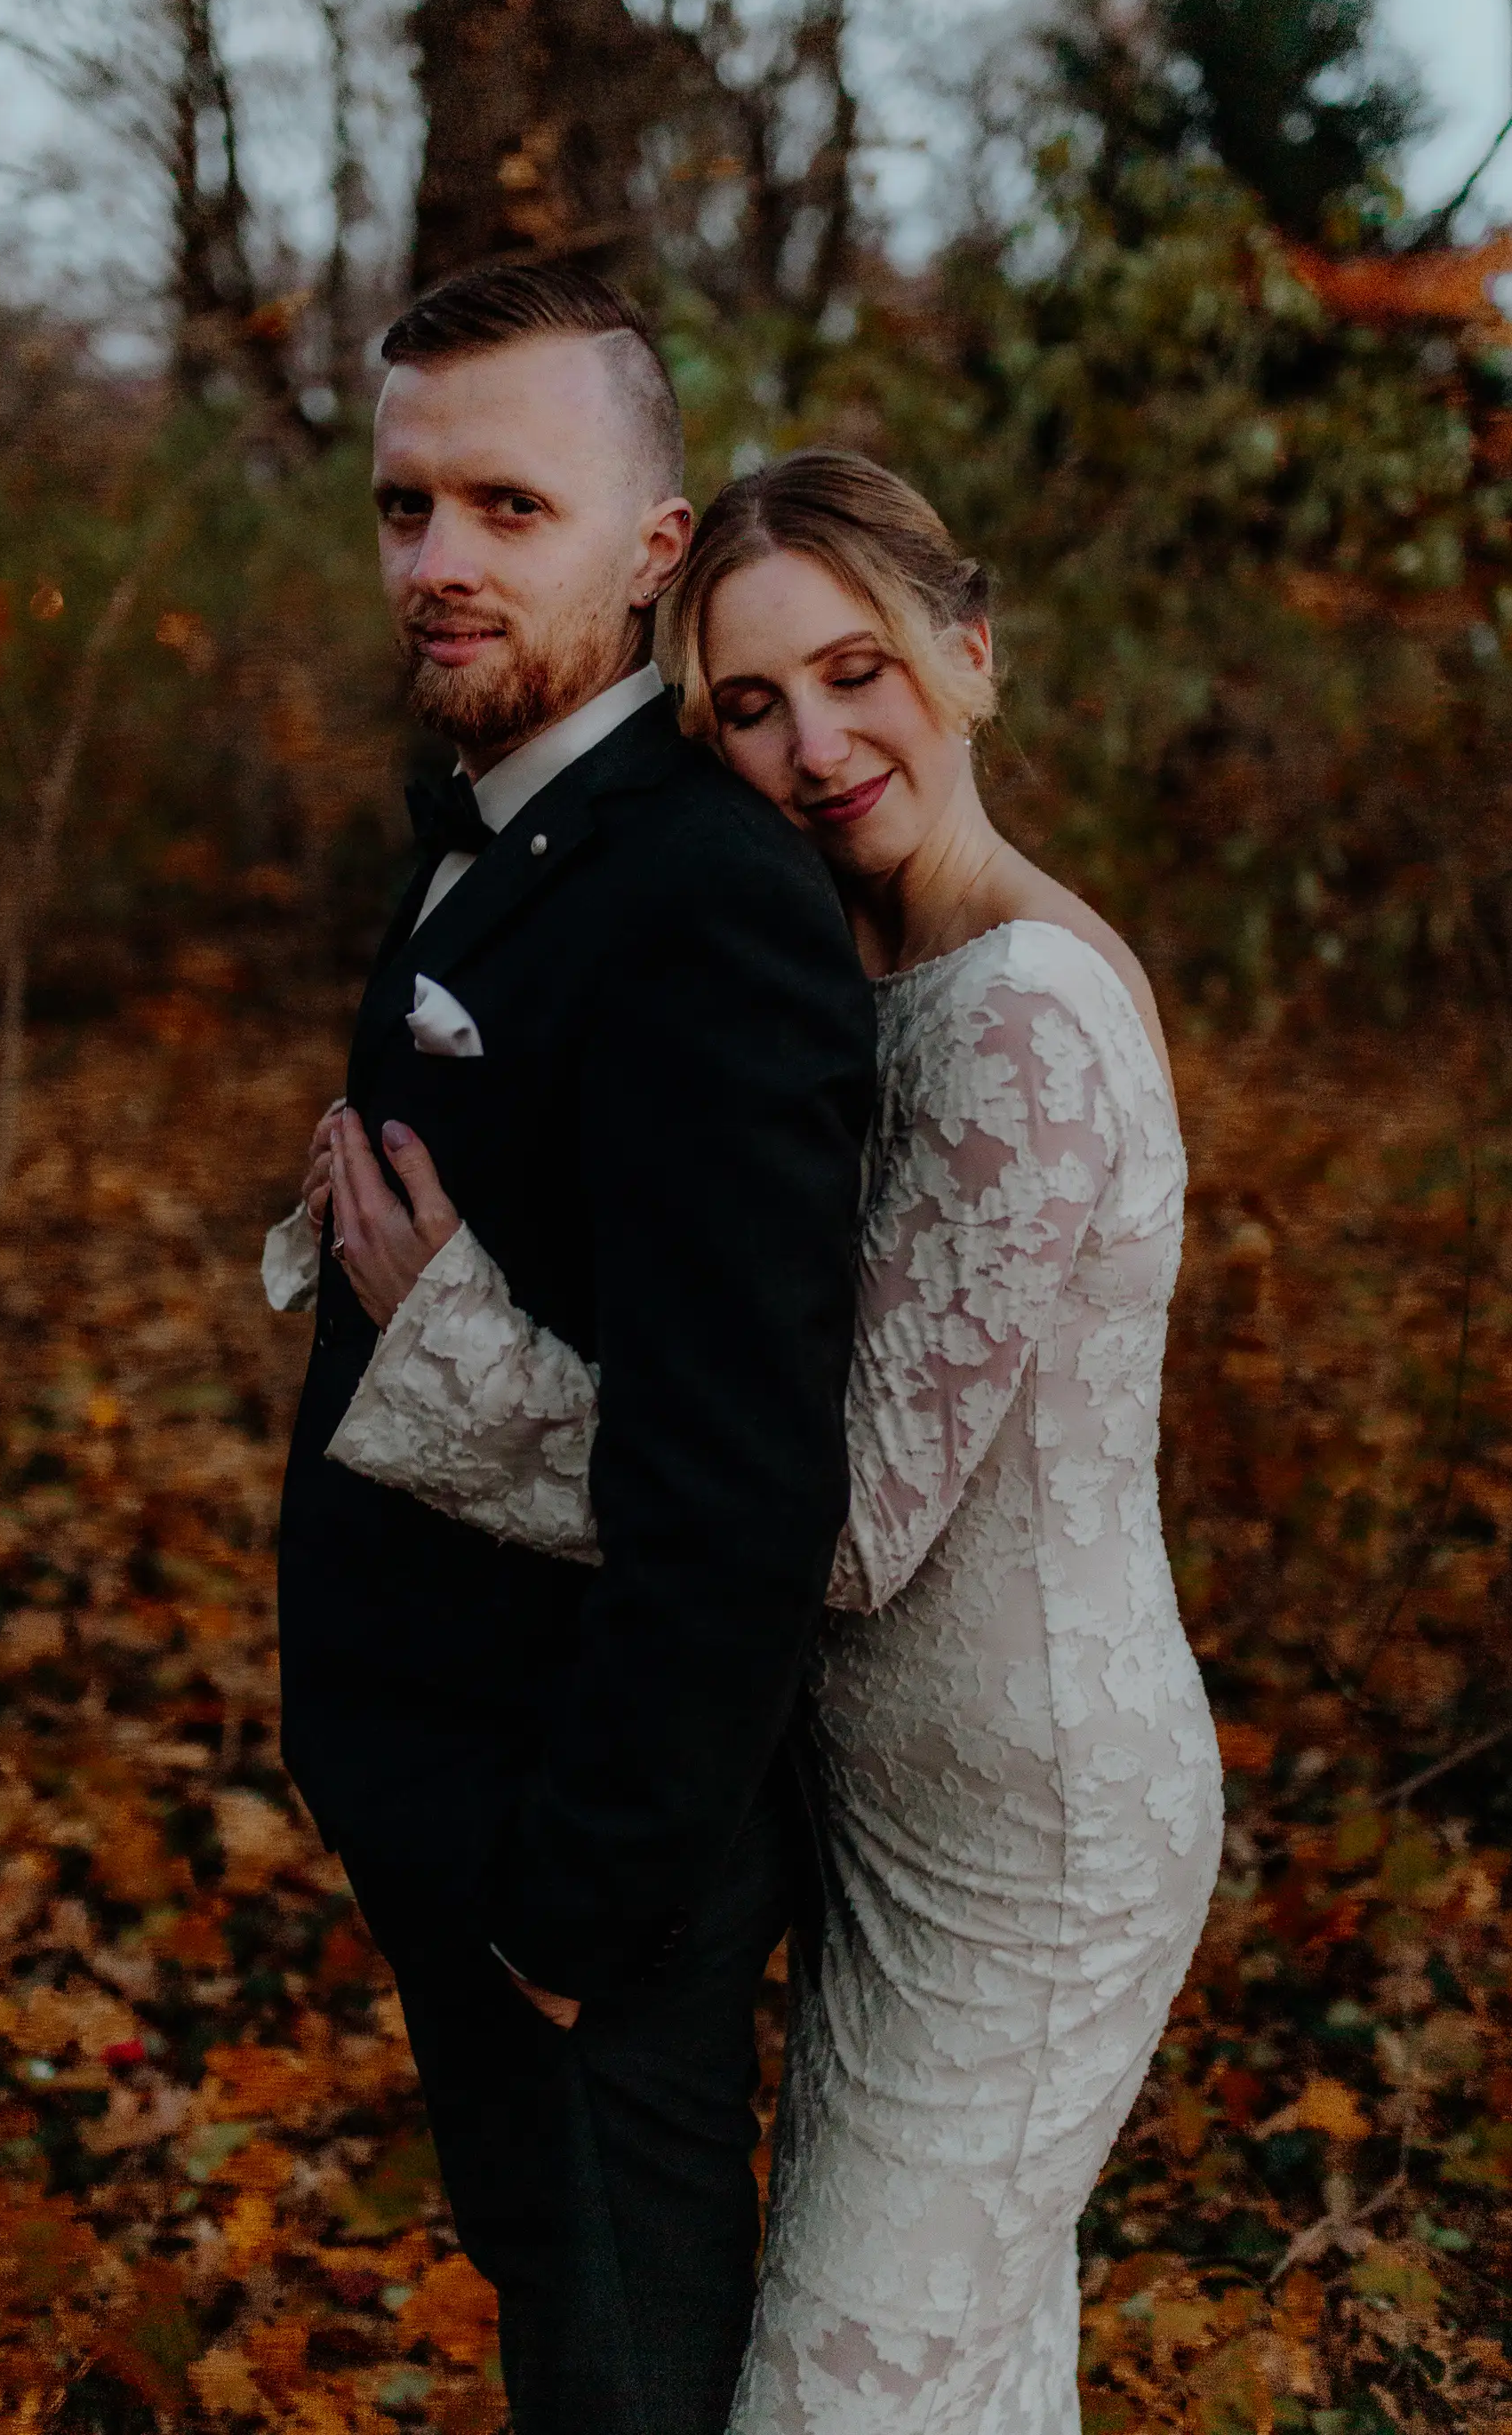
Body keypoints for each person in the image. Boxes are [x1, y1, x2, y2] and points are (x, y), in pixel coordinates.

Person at [309, 452, 1224, 2434]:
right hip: (878, 1797)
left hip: (1030, 1834)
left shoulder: (1020, 1014)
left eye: (857, 671)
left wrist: (455, 1354)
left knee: (840, 2392)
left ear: (967, 651)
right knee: (959, 2368)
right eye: (747, 705)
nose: (813, 745)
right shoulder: (863, 965)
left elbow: (841, 1523)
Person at [263, 276, 876, 2435]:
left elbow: (741, 1481)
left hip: (586, 1869)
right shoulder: (507, 825)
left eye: (508, 505)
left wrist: (574, 1910)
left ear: (651, 545)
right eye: (404, 505)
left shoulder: (699, 895)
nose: (437, 560)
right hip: (464, 1815)